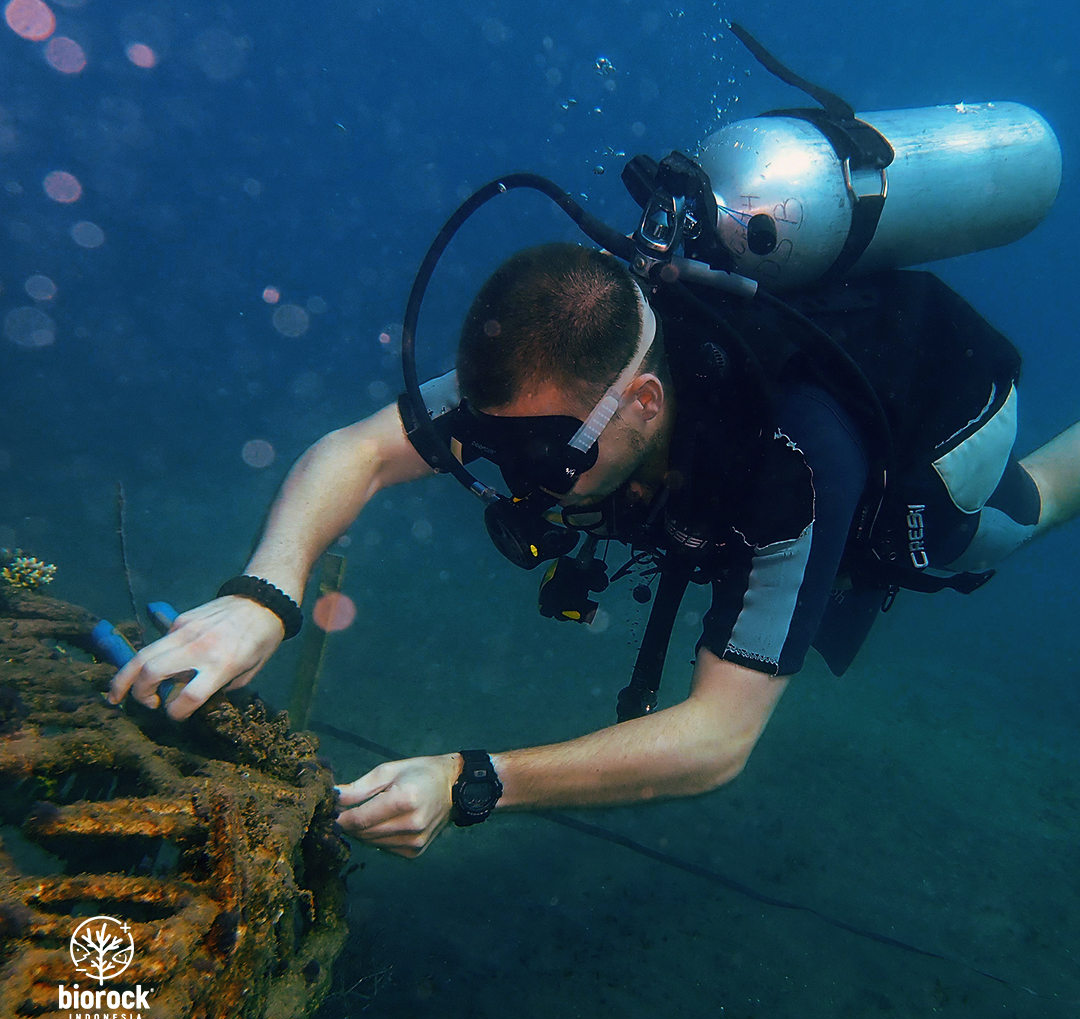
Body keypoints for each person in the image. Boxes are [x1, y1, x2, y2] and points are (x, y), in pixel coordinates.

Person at [108, 242, 1080, 859]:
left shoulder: (794, 464)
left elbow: (718, 740)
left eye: (547, 455)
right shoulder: (551, 385)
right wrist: (262, 594)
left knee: (991, 528)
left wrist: (476, 778)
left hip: (920, 445)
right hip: (686, 456)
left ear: (641, 404)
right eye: (499, 441)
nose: (522, 480)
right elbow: (358, 451)